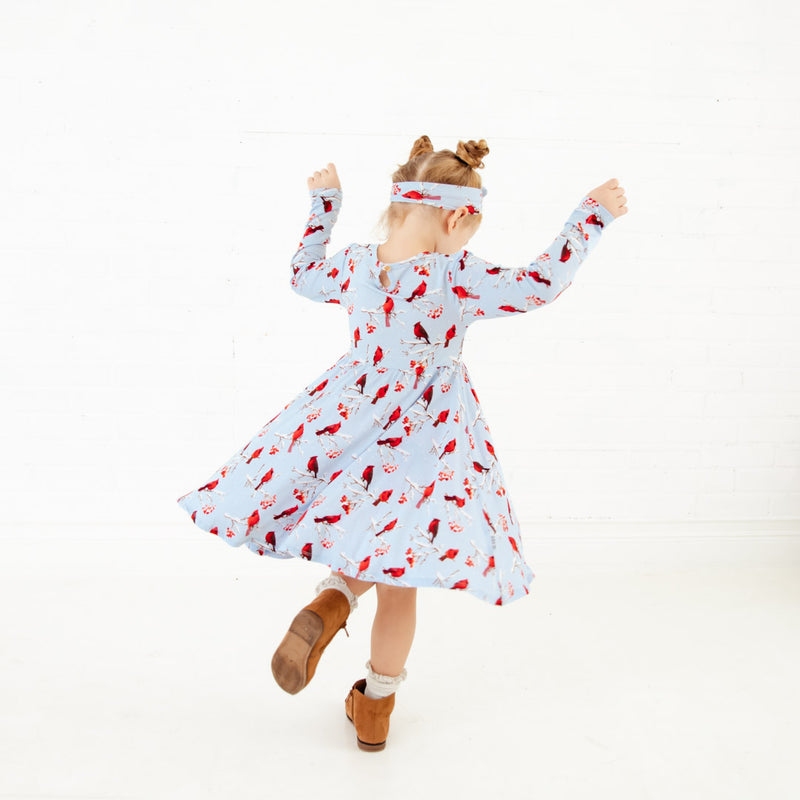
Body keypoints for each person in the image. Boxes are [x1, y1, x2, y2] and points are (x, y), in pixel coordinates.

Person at [176, 135, 628, 752]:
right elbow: (541, 284)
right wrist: (590, 214)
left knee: (363, 545)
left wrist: (325, 204)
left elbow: (303, 274)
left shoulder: (358, 265)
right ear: (455, 218)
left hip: (345, 421)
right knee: (399, 576)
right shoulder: (456, 276)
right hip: (428, 438)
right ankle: (376, 707)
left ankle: (333, 601)